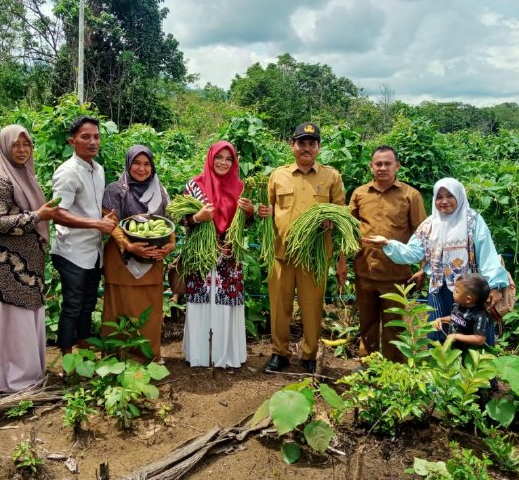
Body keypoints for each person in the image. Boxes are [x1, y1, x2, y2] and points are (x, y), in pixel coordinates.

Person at [364, 177, 509, 345]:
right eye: (439, 197)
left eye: (449, 196)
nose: (444, 201)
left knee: (473, 334)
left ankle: (475, 370)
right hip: (439, 291)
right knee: (439, 333)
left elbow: (487, 255)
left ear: (459, 197)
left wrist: (494, 286)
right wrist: (388, 243)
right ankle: (441, 370)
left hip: (471, 293)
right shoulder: (430, 225)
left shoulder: (473, 222)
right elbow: (413, 252)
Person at [0, 124, 58, 395]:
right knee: (7, 319)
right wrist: (37, 217)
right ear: (4, 147)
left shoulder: (24, 175)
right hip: (3, 266)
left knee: (20, 320)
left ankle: (22, 375)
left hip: (24, 266)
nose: (22, 151)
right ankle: (2, 379)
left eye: (27, 145)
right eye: (16, 145)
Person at [264, 122, 347, 374]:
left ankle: (310, 355)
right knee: (279, 307)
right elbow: (267, 212)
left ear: (319, 148)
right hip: (282, 254)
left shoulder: (331, 176)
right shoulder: (278, 175)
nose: (306, 148)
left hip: (315, 257)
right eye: (302, 143)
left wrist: (332, 223)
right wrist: (261, 213)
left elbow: (342, 217)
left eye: (312, 143)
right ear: (292, 146)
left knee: (312, 306)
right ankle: (280, 353)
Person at [182, 141, 259, 368]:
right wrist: (197, 218)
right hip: (201, 253)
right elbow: (181, 218)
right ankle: (199, 355)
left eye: (229, 159)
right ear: (210, 158)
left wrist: (250, 213)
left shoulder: (240, 187)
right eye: (219, 157)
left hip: (228, 254)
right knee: (200, 301)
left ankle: (226, 356)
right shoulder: (194, 185)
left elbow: (245, 224)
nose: (223, 163)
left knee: (226, 303)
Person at [348, 146, 427, 362]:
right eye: (378, 164)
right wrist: (342, 262)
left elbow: (422, 234)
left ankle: (393, 368)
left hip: (396, 274)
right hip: (364, 270)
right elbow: (348, 231)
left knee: (394, 323)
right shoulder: (360, 193)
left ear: (397, 166)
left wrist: (423, 268)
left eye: (387, 164)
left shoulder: (411, 195)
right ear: (371, 167)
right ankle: (368, 364)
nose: (382, 168)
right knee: (367, 322)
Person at [51, 116, 118, 356]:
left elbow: (94, 205)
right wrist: (96, 223)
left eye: (96, 136)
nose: (93, 142)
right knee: (73, 305)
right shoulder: (68, 172)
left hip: (93, 250)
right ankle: (67, 356)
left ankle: (84, 346)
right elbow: (57, 213)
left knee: (88, 303)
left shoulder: (97, 169)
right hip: (72, 251)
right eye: (85, 137)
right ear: (72, 141)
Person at [101, 145, 175, 361]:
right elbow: (111, 223)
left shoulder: (159, 191)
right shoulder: (115, 190)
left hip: (152, 258)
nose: (142, 169)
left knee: (149, 311)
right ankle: (116, 358)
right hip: (121, 259)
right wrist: (129, 245)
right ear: (128, 164)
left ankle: (147, 358)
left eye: (147, 164)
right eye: (136, 163)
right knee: (120, 307)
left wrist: (171, 245)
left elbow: (167, 222)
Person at [433, 273, 491, 352]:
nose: (453, 291)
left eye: (456, 291)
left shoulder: (480, 316)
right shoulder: (457, 305)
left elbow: (480, 339)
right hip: (455, 348)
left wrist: (455, 336)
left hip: (469, 353)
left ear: (468, 299)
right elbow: (455, 318)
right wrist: (441, 320)